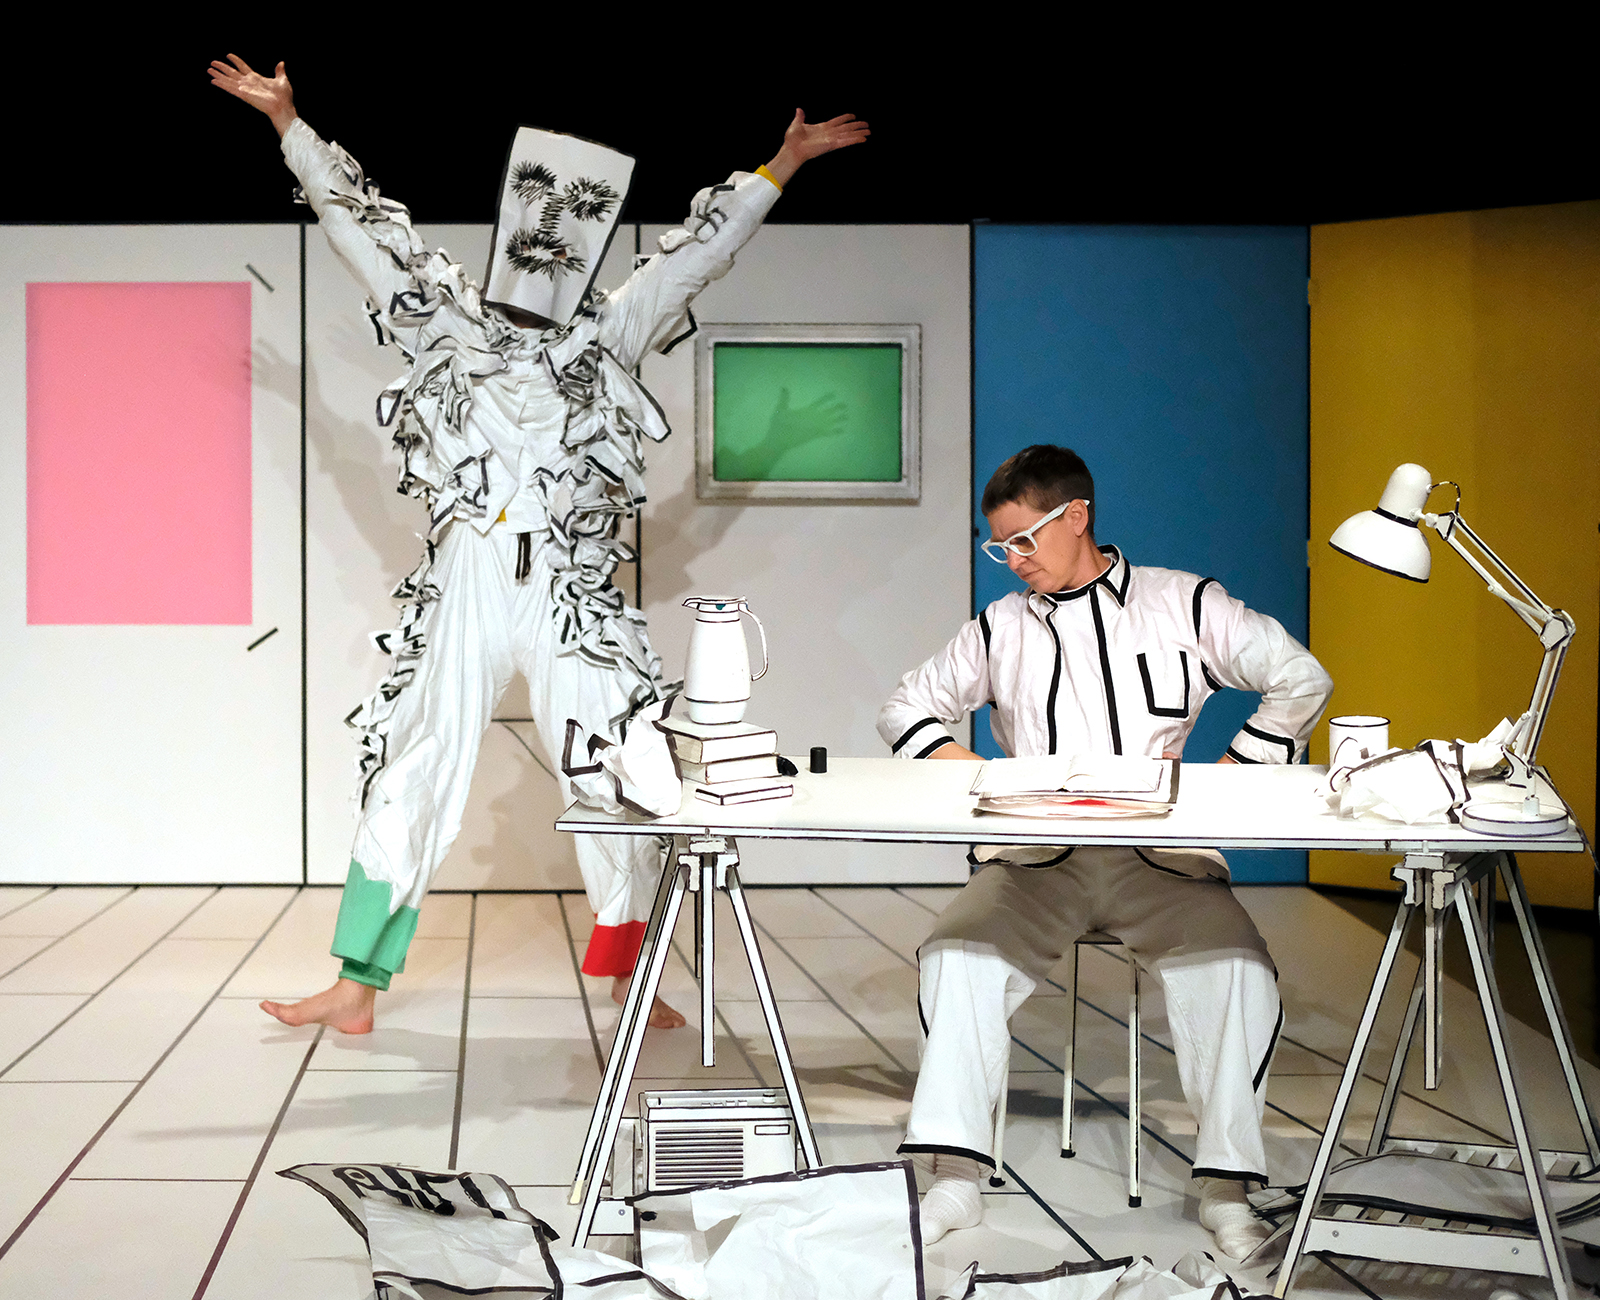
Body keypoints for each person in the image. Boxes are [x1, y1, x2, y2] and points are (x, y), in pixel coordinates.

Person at [209, 54, 868, 1034]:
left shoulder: (608, 334)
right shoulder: (447, 320)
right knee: (415, 756)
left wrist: (784, 163)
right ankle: (357, 982)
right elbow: (358, 231)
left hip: (570, 590)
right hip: (470, 571)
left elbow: (697, 255)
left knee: (616, 765)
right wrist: (288, 125)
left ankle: (630, 977)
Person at [878, 445, 1333, 1256]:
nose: (1014, 560)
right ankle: (953, 1174)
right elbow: (904, 708)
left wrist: (1229, 779)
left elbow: (1301, 677)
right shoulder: (1001, 626)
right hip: (1035, 861)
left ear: (1077, 516)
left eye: (1024, 540)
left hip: (1160, 860)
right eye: (1000, 547)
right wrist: (982, 777)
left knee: (1237, 969)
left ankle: (1226, 1187)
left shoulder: (1183, 603)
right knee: (955, 955)